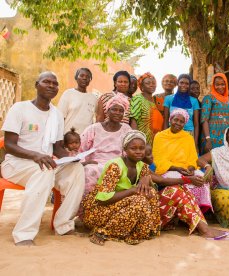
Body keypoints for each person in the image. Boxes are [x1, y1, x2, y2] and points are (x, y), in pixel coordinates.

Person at [1, 72, 85, 246]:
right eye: (47, 82)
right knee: (44, 170)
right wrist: (36, 156)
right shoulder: (20, 108)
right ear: (36, 85)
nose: (51, 86)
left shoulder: (56, 115)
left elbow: (57, 148)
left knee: (77, 170)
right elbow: (9, 145)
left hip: (45, 163)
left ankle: (63, 225)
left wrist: (71, 158)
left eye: (55, 83)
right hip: (16, 164)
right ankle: (24, 234)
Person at [81, 130, 160, 246]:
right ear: (125, 150)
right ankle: (103, 232)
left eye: (141, 148)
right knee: (139, 200)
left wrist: (147, 178)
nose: (138, 152)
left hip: (117, 209)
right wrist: (132, 191)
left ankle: (145, 230)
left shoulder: (142, 166)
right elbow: (103, 200)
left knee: (150, 193)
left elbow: (151, 183)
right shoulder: (115, 166)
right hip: (97, 211)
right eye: (133, 148)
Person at [153, 108, 212, 212]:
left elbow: (193, 158)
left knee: (201, 178)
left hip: (185, 169)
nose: (178, 123)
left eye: (181, 121)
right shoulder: (160, 136)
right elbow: (158, 159)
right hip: (168, 170)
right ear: (170, 120)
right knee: (178, 180)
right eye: (176, 120)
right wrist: (177, 168)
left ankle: (196, 211)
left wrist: (191, 168)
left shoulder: (188, 137)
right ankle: (179, 211)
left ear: (184, 124)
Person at [80, 94, 132, 197]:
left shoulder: (126, 129)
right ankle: (87, 207)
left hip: (118, 164)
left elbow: (129, 151)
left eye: (121, 111)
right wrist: (85, 162)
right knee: (89, 171)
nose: (117, 113)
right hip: (95, 164)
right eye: (114, 109)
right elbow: (80, 148)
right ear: (107, 111)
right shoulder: (94, 128)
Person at [163, 74, 200, 148]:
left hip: (189, 134)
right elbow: (166, 120)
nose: (184, 85)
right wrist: (166, 137)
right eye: (181, 82)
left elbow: (196, 124)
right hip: (172, 133)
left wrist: (195, 143)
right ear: (177, 83)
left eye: (187, 84)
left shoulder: (194, 101)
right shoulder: (168, 99)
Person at [200, 73, 229, 153]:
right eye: (217, 84)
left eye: (222, 84)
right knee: (210, 162)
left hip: (225, 138)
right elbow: (204, 119)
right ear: (213, 85)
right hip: (211, 137)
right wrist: (208, 139)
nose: (220, 87)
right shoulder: (209, 98)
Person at [57, 68, 97, 134]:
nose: (84, 78)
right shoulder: (68, 93)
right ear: (76, 78)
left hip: (86, 140)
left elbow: (97, 118)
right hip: (68, 138)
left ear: (90, 80)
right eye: (81, 75)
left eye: (87, 77)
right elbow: (60, 118)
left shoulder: (94, 98)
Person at [130, 72, 164, 145]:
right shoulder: (138, 99)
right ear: (142, 86)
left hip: (155, 142)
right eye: (148, 83)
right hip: (142, 141)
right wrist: (136, 139)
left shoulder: (155, 101)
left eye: (153, 83)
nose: (151, 85)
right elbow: (133, 120)